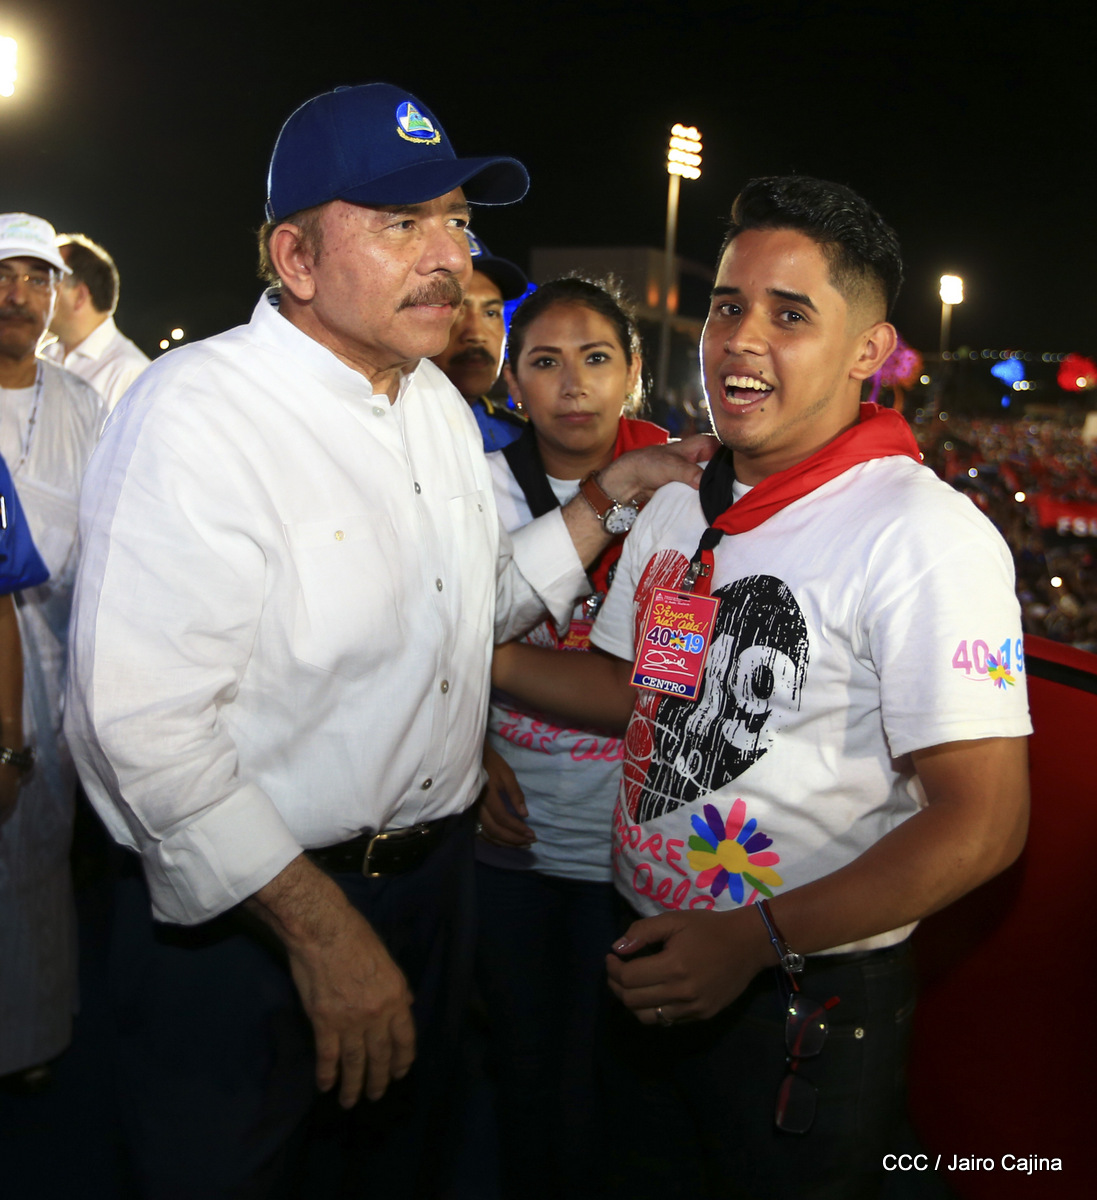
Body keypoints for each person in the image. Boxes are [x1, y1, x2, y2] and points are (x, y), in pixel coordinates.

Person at [64, 83, 709, 1197]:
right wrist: (321, 933)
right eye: (402, 223)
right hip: (251, 920)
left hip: (428, 893)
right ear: (296, 258)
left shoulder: (433, 408)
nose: (449, 258)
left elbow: (474, 604)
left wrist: (609, 495)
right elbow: (141, 729)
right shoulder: (197, 412)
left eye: (455, 221)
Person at [491, 176, 1032, 1199]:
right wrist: (467, 660)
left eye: (789, 315)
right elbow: (639, 694)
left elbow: (985, 822)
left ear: (868, 351)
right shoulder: (679, 501)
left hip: (800, 991)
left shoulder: (921, 535)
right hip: (642, 954)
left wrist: (751, 940)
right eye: (727, 305)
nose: (740, 338)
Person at [475, 277, 667, 1198]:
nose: (572, 384)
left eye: (595, 358)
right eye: (544, 362)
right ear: (511, 380)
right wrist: (466, 752)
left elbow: (656, 692)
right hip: (503, 843)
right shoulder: (473, 485)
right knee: (516, 1073)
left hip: (629, 852)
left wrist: (474, 649)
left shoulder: (683, 495)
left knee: (611, 1089)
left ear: (632, 372)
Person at [0, 212, 104, 1085]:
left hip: (62, 660)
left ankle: (33, 1039)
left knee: (38, 854)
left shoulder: (82, 403)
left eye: (37, 279)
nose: (18, 295)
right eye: (3, 276)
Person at [430, 230, 528, 449]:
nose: (476, 334)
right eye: (456, 311)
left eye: (491, 313)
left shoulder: (519, 439)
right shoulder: (386, 430)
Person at [42, 232, 149, 412]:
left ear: (79, 296)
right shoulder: (45, 354)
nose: (35, 293)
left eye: (47, 282)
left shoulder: (130, 374)